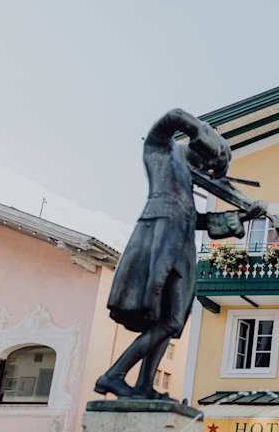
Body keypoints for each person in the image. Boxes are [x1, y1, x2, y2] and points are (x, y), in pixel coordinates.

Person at [95, 109, 256, 399]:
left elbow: (196, 220)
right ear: (202, 147)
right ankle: (113, 376)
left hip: (181, 245)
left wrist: (242, 218)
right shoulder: (160, 149)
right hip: (156, 240)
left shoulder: (187, 179)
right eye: (209, 161)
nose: (207, 168)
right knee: (164, 318)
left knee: (172, 320)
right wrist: (208, 137)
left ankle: (144, 384)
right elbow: (175, 116)